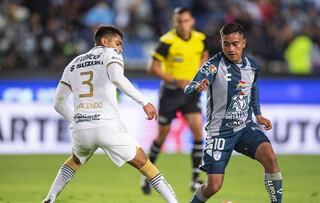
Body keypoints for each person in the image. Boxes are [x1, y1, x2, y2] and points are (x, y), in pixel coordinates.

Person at [42, 25, 178, 203]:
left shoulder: (73, 63)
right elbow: (116, 78)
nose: (120, 48)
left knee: (75, 160)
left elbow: (58, 104)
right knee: (145, 164)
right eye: (118, 43)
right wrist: (144, 102)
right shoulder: (110, 54)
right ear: (104, 41)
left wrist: (75, 120)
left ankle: (49, 198)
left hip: (81, 129)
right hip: (107, 126)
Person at [185, 23, 283, 203]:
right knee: (213, 186)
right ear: (221, 43)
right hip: (220, 132)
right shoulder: (213, 66)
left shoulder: (252, 66)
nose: (231, 49)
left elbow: (253, 89)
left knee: (270, 157)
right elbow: (188, 87)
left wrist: (258, 114)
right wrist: (197, 86)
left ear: (243, 43)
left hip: (245, 127)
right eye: (226, 44)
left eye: (235, 43)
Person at [141, 7, 209, 193]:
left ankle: (195, 178)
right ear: (174, 22)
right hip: (170, 93)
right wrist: (174, 80)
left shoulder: (200, 39)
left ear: (192, 21)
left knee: (197, 130)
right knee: (162, 136)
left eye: (186, 21)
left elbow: (204, 55)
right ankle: (147, 175)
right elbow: (152, 67)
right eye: (179, 21)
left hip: (190, 93)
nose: (183, 24)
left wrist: (200, 72)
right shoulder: (167, 41)